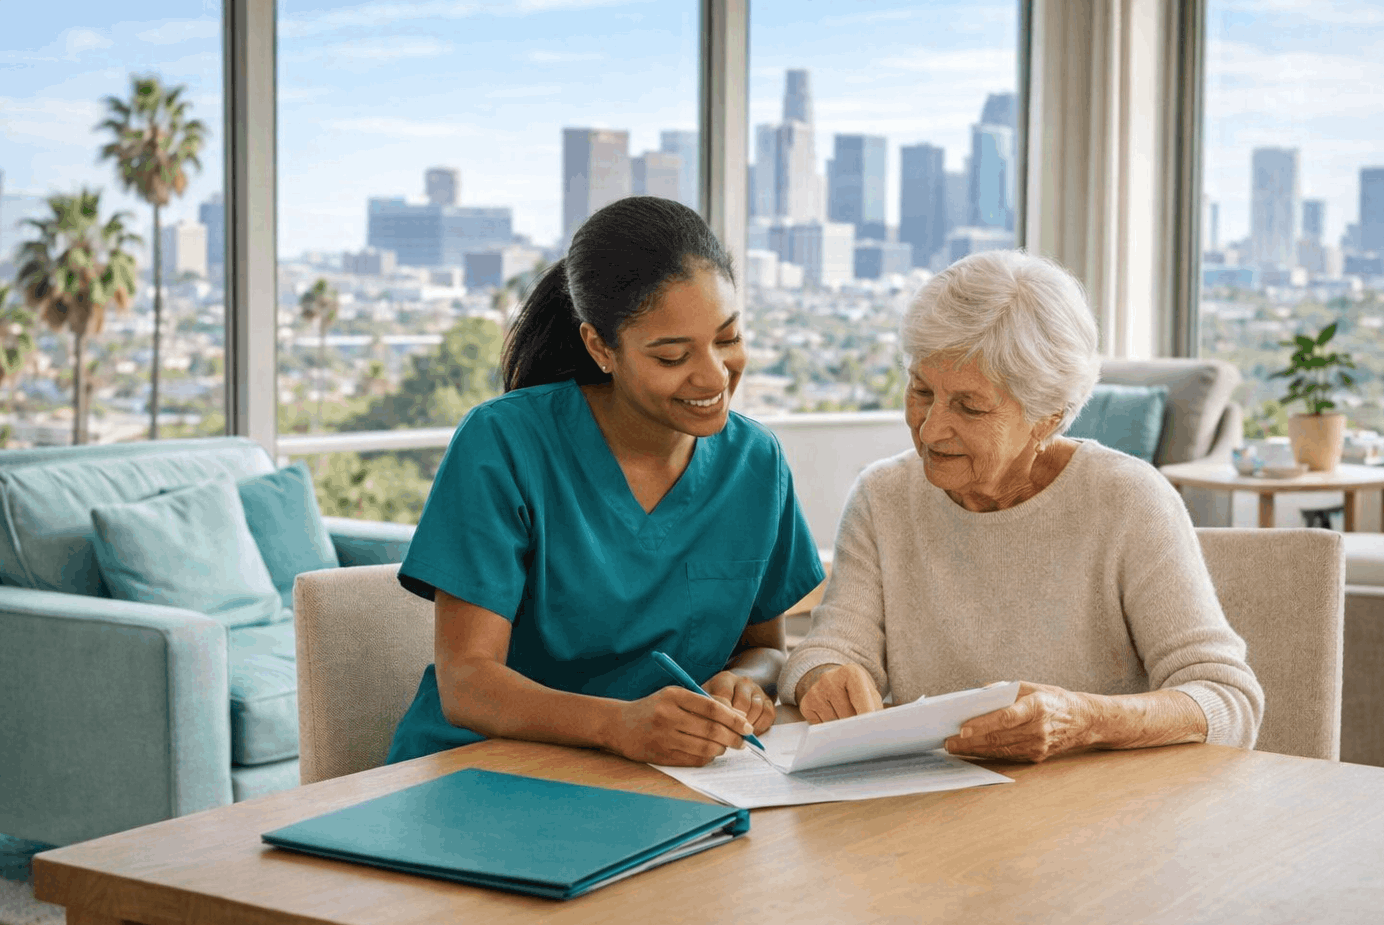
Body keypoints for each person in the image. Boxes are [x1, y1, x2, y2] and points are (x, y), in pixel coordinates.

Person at [386, 196, 824, 768]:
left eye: (728, 338)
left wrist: (741, 682)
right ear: (601, 349)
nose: (715, 375)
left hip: (656, 777)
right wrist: (619, 726)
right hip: (483, 768)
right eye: (672, 356)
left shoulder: (756, 462)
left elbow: (763, 648)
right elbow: (468, 682)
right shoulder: (504, 443)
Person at [779, 249, 1262, 761]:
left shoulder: (1127, 500)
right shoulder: (884, 496)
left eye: (969, 406)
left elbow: (1226, 699)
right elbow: (828, 650)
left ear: (1047, 418)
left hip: (1102, 812)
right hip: (936, 809)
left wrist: (1087, 720)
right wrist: (826, 676)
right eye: (921, 390)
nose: (931, 427)